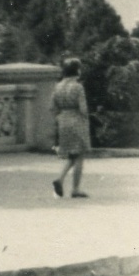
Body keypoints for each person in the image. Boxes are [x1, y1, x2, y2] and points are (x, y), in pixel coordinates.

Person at [51, 58, 92, 198]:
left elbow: (53, 108)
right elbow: (83, 108)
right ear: (77, 71)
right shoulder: (78, 87)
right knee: (79, 155)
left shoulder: (58, 86)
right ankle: (75, 189)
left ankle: (60, 179)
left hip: (63, 120)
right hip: (77, 120)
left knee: (71, 155)